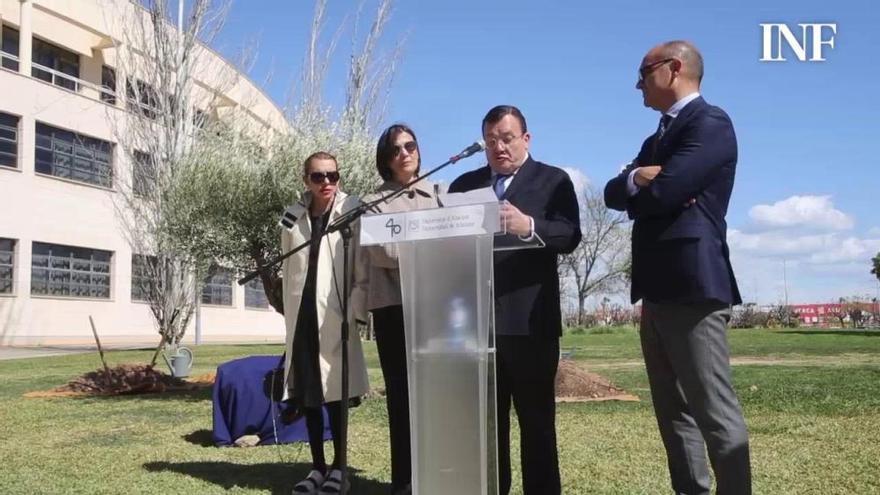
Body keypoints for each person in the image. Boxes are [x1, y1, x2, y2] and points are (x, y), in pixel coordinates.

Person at [603, 40, 751, 494]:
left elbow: (666, 192)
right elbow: (613, 193)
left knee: (713, 411)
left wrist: (653, 184)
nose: (638, 85)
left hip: (694, 287)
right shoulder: (656, 139)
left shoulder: (710, 123)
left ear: (674, 67)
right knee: (673, 413)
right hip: (656, 290)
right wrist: (636, 178)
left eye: (643, 74)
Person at [448, 105, 581, 495]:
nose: (499, 147)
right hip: (475, 326)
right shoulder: (464, 187)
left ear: (526, 139)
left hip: (529, 325)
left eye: (507, 138)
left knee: (537, 425)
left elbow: (570, 235)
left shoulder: (552, 180)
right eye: (491, 141)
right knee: (488, 429)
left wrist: (530, 226)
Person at [357, 124, 441, 495]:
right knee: (402, 395)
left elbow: (461, 242)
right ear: (385, 159)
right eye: (395, 150)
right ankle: (404, 481)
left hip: (438, 305)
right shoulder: (371, 202)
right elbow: (385, 254)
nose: (404, 153)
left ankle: (438, 473)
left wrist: (413, 239)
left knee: (438, 393)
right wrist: (435, 241)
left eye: (410, 146)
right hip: (394, 308)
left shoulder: (441, 194)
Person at [281, 151, 369, 495]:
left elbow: (362, 265)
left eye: (332, 175)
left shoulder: (351, 210)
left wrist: (356, 311)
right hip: (302, 316)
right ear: (306, 180)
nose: (327, 183)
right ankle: (317, 467)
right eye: (318, 177)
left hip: (336, 315)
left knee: (336, 394)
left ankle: (340, 468)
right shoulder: (292, 215)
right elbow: (289, 270)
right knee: (309, 394)